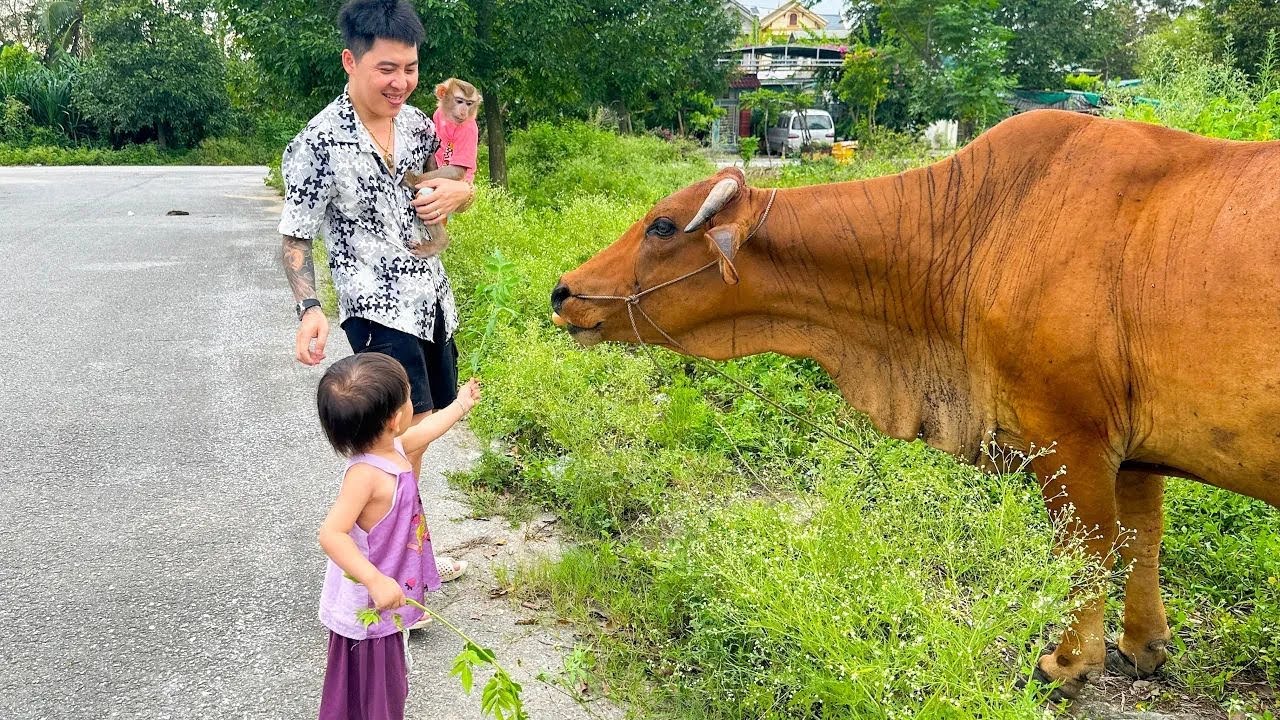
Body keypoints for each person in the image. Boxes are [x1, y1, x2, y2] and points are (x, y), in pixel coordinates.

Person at [278, 0, 472, 586]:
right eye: (387, 69)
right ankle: (391, 575)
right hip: (377, 309)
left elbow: (453, 183)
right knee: (393, 443)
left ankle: (409, 558)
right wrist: (309, 308)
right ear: (350, 61)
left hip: (432, 300)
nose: (401, 83)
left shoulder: (418, 125)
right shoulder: (318, 141)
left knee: (416, 440)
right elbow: (295, 235)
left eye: (410, 69)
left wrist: (460, 196)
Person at [316, 352, 481, 720]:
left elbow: (425, 432)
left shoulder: (392, 448)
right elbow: (331, 533)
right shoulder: (365, 475)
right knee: (378, 693)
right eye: (409, 396)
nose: (413, 402)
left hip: (387, 596)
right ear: (393, 419)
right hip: (370, 607)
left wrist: (460, 405)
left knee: (385, 687)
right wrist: (374, 580)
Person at [431, 78, 482, 183]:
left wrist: (416, 180)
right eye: (459, 101)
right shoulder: (439, 114)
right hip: (439, 169)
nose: (464, 111)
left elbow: (458, 173)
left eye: (469, 104)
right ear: (442, 93)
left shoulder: (468, 128)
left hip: (458, 182)